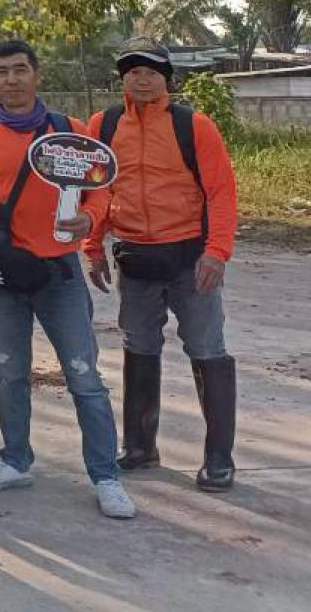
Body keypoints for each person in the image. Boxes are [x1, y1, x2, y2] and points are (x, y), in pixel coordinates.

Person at [0, 39, 136, 520]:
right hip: (3, 274)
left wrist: (90, 220)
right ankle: (14, 460)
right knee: (10, 372)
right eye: (1, 72)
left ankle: (106, 476)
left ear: (36, 74)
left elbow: (101, 191)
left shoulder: (70, 132)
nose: (11, 80)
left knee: (84, 376)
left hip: (60, 275)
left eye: (20, 70)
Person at [85, 36, 240, 492]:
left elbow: (221, 192)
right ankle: (140, 446)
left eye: (151, 71)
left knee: (207, 347)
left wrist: (217, 252)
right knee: (139, 344)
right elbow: (97, 190)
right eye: (133, 71)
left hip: (192, 259)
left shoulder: (194, 126)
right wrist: (92, 246)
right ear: (123, 79)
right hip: (136, 258)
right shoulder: (103, 125)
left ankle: (218, 458)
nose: (142, 79)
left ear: (166, 79)